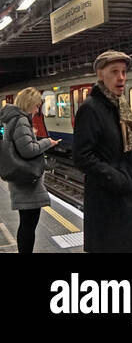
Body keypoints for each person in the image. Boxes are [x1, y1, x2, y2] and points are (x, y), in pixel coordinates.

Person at [75, 50, 132, 253]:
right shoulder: (90, 109)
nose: (121, 78)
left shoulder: (119, 106)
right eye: (114, 72)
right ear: (100, 74)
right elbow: (82, 157)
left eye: (124, 72)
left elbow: (125, 149)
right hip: (107, 199)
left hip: (125, 193)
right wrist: (118, 179)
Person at [3, 88, 59, 253]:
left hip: (20, 178)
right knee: (28, 225)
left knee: (26, 223)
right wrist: (47, 142)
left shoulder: (13, 120)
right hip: (26, 182)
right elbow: (28, 150)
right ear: (29, 104)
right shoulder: (21, 120)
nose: (37, 110)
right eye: (36, 106)